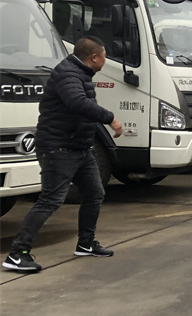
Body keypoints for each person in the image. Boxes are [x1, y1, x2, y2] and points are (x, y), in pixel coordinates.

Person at [4, 36, 123, 273]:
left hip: (79, 147)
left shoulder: (80, 73)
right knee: (50, 200)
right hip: (58, 148)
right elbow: (76, 102)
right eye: (104, 56)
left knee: (94, 193)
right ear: (94, 57)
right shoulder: (68, 74)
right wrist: (110, 118)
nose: (106, 60)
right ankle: (17, 254)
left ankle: (86, 243)